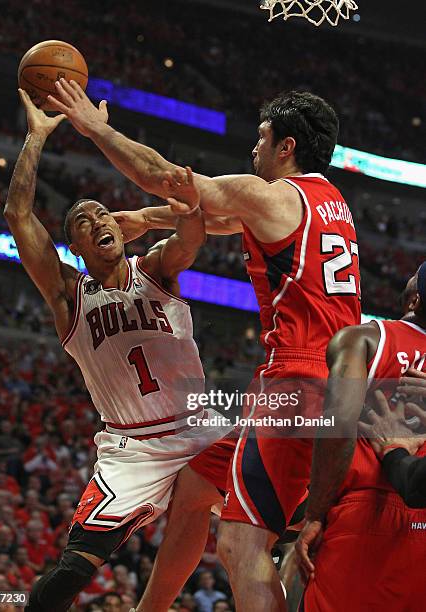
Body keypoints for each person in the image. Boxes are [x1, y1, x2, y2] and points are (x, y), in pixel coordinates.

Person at [49, 79, 361, 611]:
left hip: (298, 383)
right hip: (336, 383)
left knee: (240, 545)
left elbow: (166, 179)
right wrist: (145, 221)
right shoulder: (328, 202)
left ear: (287, 146)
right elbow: (207, 217)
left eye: (262, 138)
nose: (254, 148)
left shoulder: (271, 193)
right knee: (195, 490)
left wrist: (95, 127)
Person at [4, 90, 230, 612]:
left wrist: (169, 211)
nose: (98, 221)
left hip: (200, 425)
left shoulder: (156, 269)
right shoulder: (70, 296)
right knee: (76, 565)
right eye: (83, 221)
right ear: (76, 248)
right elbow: (18, 215)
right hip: (134, 446)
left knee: (282, 511)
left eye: (103, 213)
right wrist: (36, 138)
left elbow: (192, 236)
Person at [296, 263, 426, 611]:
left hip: (365, 512)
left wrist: (316, 515)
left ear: (415, 299)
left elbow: (338, 425)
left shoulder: (363, 338)